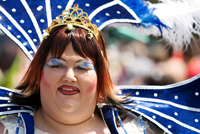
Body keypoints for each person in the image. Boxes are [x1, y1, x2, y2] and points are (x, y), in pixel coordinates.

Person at [0, 4, 155, 134]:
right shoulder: (7, 130)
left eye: (82, 67)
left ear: (100, 77)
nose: (69, 76)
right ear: (39, 73)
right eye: (57, 65)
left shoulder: (134, 130)